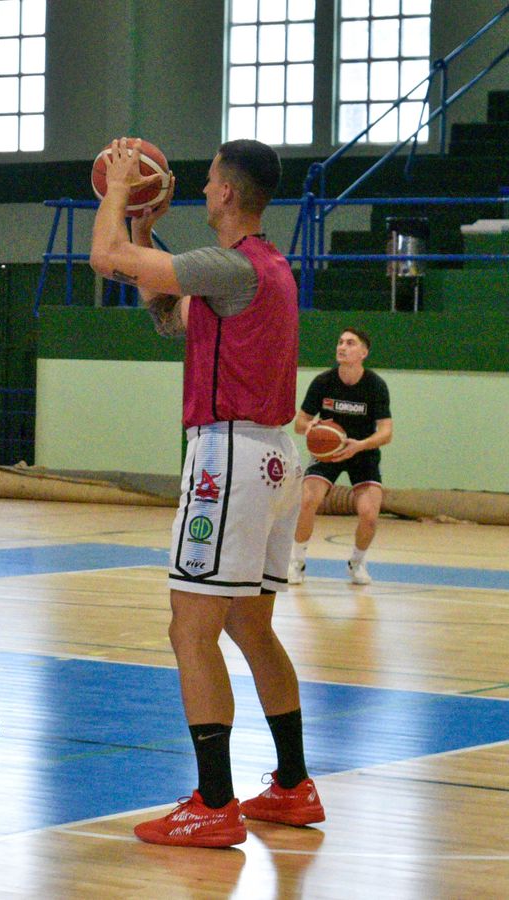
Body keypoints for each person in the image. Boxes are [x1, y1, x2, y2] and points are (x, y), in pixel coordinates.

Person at [89, 139, 324, 847]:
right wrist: (143, 228)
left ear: (226, 193)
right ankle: (292, 785)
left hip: (229, 457)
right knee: (250, 626)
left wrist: (117, 190)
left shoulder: (229, 264)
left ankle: (214, 803)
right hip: (274, 460)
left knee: (189, 628)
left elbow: (104, 259)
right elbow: (172, 316)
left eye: (210, 180)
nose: (202, 190)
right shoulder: (264, 268)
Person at [289, 328, 393, 586]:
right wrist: (311, 427)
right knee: (308, 500)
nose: (342, 347)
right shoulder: (323, 382)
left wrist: (360, 445)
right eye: (340, 342)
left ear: (363, 353)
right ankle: (296, 562)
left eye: (350, 343)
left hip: (362, 451)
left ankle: (357, 563)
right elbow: (299, 423)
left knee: (369, 514)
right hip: (328, 452)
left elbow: (386, 432)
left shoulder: (375, 385)